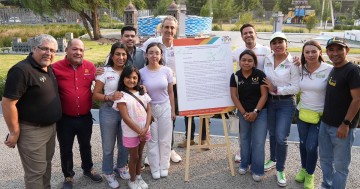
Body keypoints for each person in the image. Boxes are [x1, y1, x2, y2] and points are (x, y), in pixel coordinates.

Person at [2, 34, 62, 189]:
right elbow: (8, 103)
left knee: (46, 166)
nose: (49, 53)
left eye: (53, 50)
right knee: (35, 173)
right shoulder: (21, 71)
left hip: (50, 129)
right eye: (45, 49)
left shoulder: (48, 67)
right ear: (34, 48)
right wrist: (14, 132)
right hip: (32, 131)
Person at [52, 39, 102, 189]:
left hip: (85, 117)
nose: (78, 53)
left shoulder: (90, 67)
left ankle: (88, 169)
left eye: (81, 50)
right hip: (65, 118)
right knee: (66, 148)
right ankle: (68, 176)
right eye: (74, 49)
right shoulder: (55, 68)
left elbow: (102, 83)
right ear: (66, 50)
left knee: (86, 145)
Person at [318, 37, 360, 189]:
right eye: (331, 49)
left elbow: (357, 99)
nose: (335, 53)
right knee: (325, 159)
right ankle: (326, 185)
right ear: (327, 52)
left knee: (341, 166)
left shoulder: (353, 71)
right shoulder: (334, 69)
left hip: (342, 127)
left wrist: (346, 123)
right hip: (326, 123)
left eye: (339, 49)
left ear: (347, 50)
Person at [140, 15, 181, 163]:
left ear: (176, 30)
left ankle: (168, 149)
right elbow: (140, 57)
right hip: (151, 86)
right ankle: (151, 153)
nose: (169, 30)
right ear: (161, 28)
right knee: (150, 120)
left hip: (171, 87)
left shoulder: (180, 46)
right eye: (166, 27)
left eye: (172, 28)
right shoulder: (152, 43)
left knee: (170, 119)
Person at [262, 32, 300, 187]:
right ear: (271, 46)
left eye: (280, 42)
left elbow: (295, 88)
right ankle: (273, 159)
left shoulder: (293, 63)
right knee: (272, 134)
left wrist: (275, 89)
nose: (277, 45)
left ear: (286, 44)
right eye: (274, 42)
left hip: (285, 103)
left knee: (280, 136)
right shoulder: (267, 59)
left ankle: (280, 169)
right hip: (270, 102)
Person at [294, 40, 333, 189]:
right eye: (307, 52)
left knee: (311, 146)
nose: (310, 54)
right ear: (303, 54)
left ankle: (310, 174)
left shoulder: (328, 69)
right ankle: (304, 169)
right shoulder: (300, 69)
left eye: (313, 51)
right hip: (302, 113)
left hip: (319, 116)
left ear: (320, 53)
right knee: (303, 144)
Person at [92, 42, 130, 188]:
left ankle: (121, 166)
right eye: (118, 54)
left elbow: (136, 86)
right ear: (112, 56)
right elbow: (96, 95)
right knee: (108, 146)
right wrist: (110, 97)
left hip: (126, 110)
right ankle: (108, 172)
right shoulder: (104, 72)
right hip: (109, 110)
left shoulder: (129, 71)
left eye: (124, 54)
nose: (121, 57)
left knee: (124, 143)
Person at [231, 23, 271, 163]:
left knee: (259, 130)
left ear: (256, 33)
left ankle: (257, 155)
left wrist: (295, 59)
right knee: (243, 130)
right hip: (243, 95)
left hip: (261, 93)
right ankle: (242, 151)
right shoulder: (237, 51)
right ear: (242, 36)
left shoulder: (265, 50)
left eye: (250, 32)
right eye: (245, 33)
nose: (248, 35)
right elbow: (220, 59)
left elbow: (280, 57)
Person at [230, 50, 268, 182]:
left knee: (258, 141)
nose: (246, 63)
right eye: (244, 60)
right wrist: (244, 113)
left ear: (254, 63)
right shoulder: (235, 76)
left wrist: (255, 112)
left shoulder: (260, 75)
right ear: (239, 62)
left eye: (250, 60)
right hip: (243, 113)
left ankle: (257, 169)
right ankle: (244, 163)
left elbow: (264, 95)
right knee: (244, 139)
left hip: (260, 112)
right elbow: (234, 96)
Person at [140, 42, 175, 179]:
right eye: (151, 53)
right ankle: (154, 167)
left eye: (157, 53)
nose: (154, 55)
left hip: (165, 107)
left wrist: (173, 110)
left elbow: (171, 92)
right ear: (146, 55)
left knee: (165, 139)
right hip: (149, 110)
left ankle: (164, 165)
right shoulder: (141, 72)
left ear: (161, 56)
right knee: (152, 140)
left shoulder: (167, 71)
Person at [114, 65, 152, 189]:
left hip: (144, 130)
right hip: (131, 132)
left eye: (135, 78)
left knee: (140, 154)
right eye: (128, 77)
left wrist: (145, 128)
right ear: (123, 78)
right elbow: (125, 117)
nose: (131, 80)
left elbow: (149, 111)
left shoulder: (142, 93)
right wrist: (139, 131)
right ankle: (132, 180)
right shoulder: (121, 96)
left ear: (138, 79)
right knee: (134, 157)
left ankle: (139, 176)